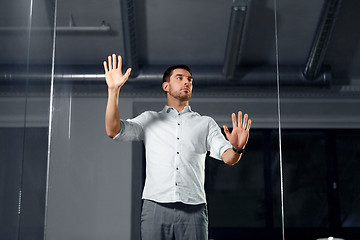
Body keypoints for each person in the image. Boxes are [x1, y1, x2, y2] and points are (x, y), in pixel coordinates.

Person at [104, 54, 251, 240]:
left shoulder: (205, 123)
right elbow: (113, 130)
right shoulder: (149, 119)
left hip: (194, 209)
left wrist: (237, 148)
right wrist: (113, 91)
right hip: (155, 205)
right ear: (166, 86)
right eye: (179, 78)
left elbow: (229, 158)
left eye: (190, 79)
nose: (186, 82)